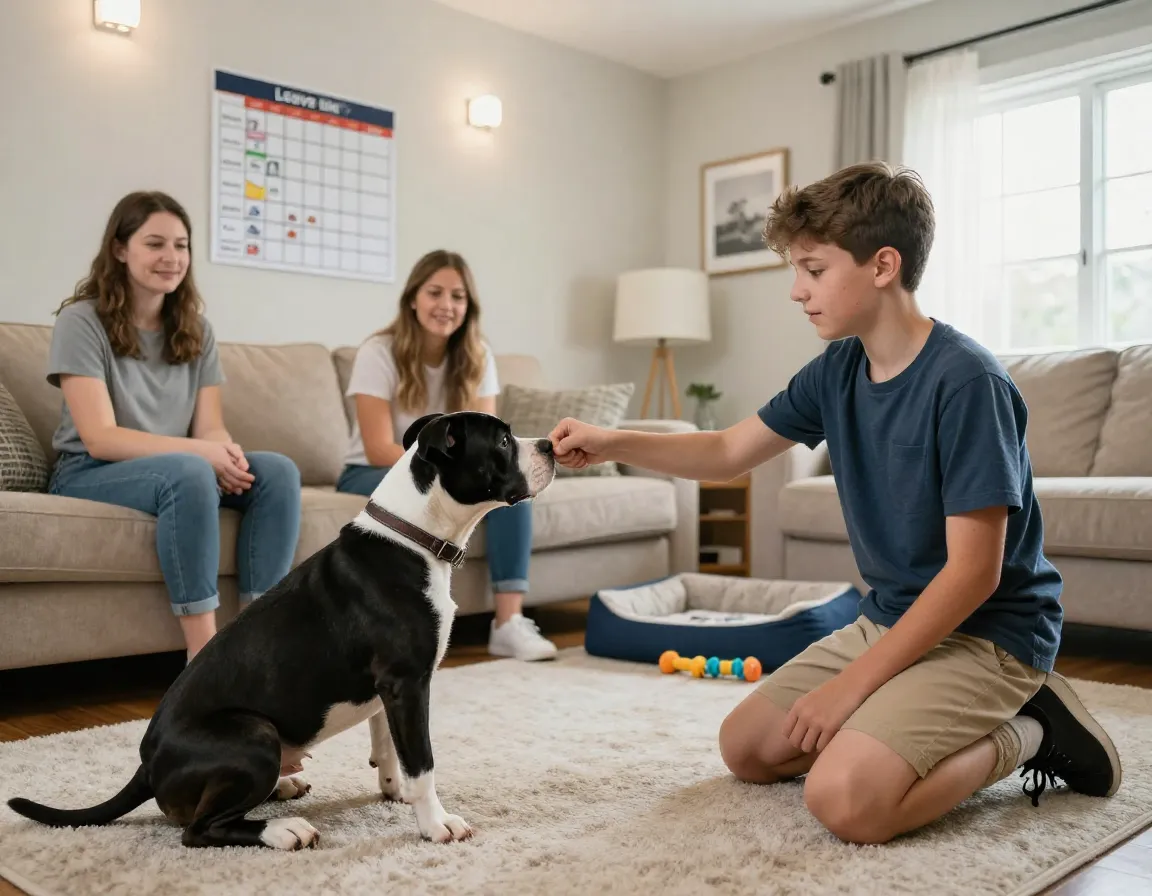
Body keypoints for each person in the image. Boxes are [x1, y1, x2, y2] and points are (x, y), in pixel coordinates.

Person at [547, 162, 1121, 843]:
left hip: (989, 637)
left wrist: (849, 690)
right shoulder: (836, 370)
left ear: (882, 265)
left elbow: (975, 574)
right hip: (889, 620)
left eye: (813, 270)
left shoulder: (968, 382)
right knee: (749, 749)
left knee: (846, 800)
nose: (797, 291)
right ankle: (899, 716)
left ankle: (1028, 729)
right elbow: (730, 450)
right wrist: (614, 442)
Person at [46, 191, 302, 662]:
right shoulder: (80, 322)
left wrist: (225, 453)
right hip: (88, 471)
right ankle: (203, 659)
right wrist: (201, 456)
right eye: (155, 244)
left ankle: (258, 643)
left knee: (277, 471)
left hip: (182, 466)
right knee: (189, 472)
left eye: (181, 246)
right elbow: (100, 437)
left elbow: (210, 428)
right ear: (120, 249)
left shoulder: (196, 330)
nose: (172, 257)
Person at [336, 249, 557, 662]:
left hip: (448, 472)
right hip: (372, 470)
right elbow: (377, 445)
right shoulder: (378, 352)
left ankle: (509, 623)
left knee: (512, 489)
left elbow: (492, 450)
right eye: (435, 292)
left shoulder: (478, 355)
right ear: (413, 299)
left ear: (468, 307)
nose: (446, 306)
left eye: (458, 297)